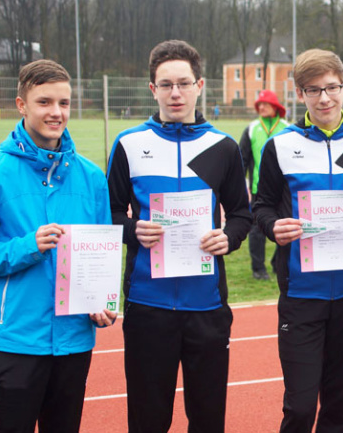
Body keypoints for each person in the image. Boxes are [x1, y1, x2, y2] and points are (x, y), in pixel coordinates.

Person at [0, 59, 116, 432]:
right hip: (15, 340)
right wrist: (27, 246)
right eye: (44, 102)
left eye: (64, 103)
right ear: (21, 104)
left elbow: (100, 253)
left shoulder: (92, 178)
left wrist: (101, 303)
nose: (56, 112)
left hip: (74, 340)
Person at [106, 40, 252, 432]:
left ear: (199, 85)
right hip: (147, 304)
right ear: (152, 89)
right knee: (148, 418)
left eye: (184, 83)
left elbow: (242, 213)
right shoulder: (128, 144)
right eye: (166, 84)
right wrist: (133, 229)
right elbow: (110, 213)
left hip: (206, 305)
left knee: (207, 418)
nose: (175, 93)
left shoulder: (222, 147)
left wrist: (230, 238)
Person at [253, 48, 343, 433]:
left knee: (338, 405)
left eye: (331, 88)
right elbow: (261, 206)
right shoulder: (279, 145)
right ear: (300, 94)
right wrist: (273, 227)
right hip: (301, 295)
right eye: (313, 90)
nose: (324, 98)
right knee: (298, 408)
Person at [239, 89, 289, 280]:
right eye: (259, 104)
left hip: (283, 191)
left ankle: (278, 263)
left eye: (265, 104)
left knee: (285, 228)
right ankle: (258, 269)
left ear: (275, 107)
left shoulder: (286, 127)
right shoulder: (251, 129)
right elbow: (242, 159)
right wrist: (239, 188)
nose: (261, 107)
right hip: (258, 191)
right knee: (257, 231)